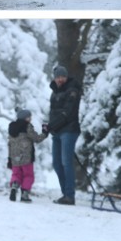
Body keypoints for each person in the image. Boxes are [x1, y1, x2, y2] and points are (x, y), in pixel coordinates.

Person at [46, 65, 82, 205]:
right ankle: (65, 193)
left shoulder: (72, 90)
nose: (60, 79)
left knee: (66, 162)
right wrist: (50, 126)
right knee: (56, 163)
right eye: (57, 77)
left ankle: (69, 195)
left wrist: (51, 125)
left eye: (62, 77)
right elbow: (53, 113)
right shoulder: (54, 92)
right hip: (57, 131)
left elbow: (67, 113)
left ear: (66, 77)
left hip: (69, 130)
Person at [7, 109, 49, 203]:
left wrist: (9, 159)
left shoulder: (11, 127)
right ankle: (24, 194)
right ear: (26, 118)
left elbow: (9, 143)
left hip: (14, 156)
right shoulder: (27, 126)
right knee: (28, 175)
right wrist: (45, 133)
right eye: (29, 117)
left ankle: (14, 185)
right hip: (26, 157)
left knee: (16, 174)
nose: (31, 119)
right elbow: (36, 138)